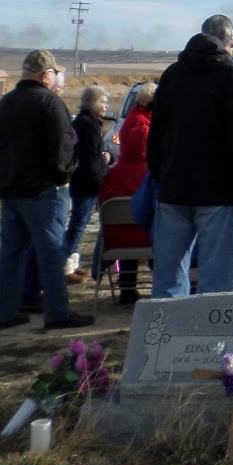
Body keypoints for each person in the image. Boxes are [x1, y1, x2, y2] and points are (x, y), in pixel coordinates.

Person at [147, 14, 233, 298]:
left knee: (168, 277)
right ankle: (213, 342)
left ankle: (164, 336)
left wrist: (160, 176)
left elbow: (156, 135)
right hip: (219, 194)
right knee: (217, 282)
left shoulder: (171, 75)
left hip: (173, 189)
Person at [0, 49, 93, 330]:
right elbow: (63, 148)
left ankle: (3, 313)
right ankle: (58, 314)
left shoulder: (5, 104)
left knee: (10, 255)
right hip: (44, 192)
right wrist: (64, 175)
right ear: (46, 75)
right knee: (51, 255)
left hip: (11, 191)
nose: (55, 77)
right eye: (54, 73)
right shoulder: (50, 103)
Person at [96, 82, 154, 304]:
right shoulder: (153, 175)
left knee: (126, 229)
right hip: (150, 238)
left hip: (117, 240)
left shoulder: (113, 174)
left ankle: (127, 289)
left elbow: (103, 205)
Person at [63, 85, 110, 285]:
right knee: (78, 224)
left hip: (85, 180)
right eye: (103, 102)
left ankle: (71, 263)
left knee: (79, 222)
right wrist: (102, 181)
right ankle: (63, 267)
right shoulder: (87, 125)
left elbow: (95, 156)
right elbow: (90, 161)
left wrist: (105, 157)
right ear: (93, 103)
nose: (107, 106)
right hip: (86, 182)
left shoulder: (90, 123)